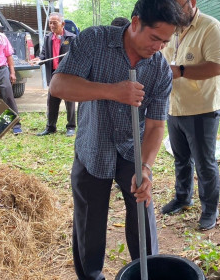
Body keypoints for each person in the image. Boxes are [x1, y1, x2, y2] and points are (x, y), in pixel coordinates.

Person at [49, 0, 186, 279]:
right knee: (90, 222)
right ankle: (91, 275)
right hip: (92, 145)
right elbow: (58, 85)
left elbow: (156, 125)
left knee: (142, 210)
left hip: (132, 149)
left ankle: (147, 272)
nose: (159, 47)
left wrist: (146, 168)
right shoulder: (93, 40)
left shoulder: (159, 67)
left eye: (165, 41)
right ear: (135, 23)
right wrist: (113, 91)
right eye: (155, 38)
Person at [161, 0, 220, 231]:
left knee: (204, 162)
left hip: (201, 109)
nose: (177, 12)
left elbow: (217, 67)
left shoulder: (211, 27)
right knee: (180, 159)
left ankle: (210, 209)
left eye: (180, 6)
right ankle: (182, 197)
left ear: (192, 2)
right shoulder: (172, 29)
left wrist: (180, 71)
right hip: (175, 107)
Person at [31, 12, 76, 137]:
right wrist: (38, 59)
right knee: (51, 102)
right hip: (53, 75)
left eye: (54, 23)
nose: (51, 25)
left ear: (62, 24)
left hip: (67, 76)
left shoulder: (71, 38)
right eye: (50, 23)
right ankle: (50, 127)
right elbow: (43, 55)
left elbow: (77, 57)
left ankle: (71, 127)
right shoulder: (47, 38)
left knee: (69, 101)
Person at [0, 28, 22, 135]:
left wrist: (12, 72)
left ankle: (16, 125)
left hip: (2, 70)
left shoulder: (2, 37)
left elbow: (9, 55)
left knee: (9, 97)